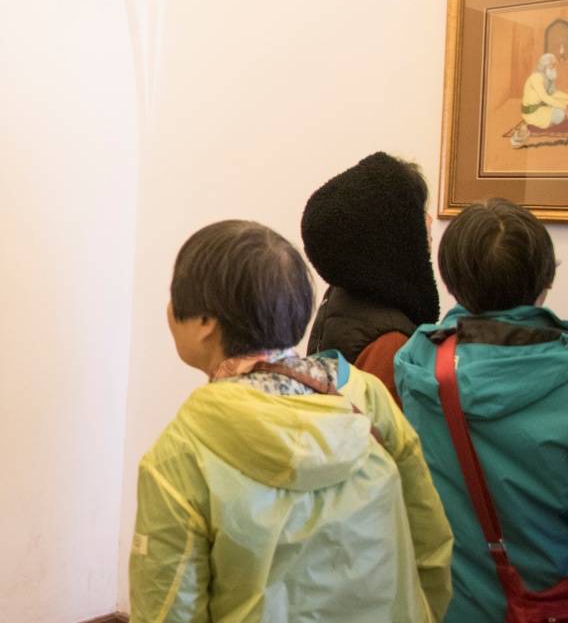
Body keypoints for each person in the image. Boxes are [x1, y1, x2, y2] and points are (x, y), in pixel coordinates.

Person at [129, 220, 452, 623]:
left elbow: (167, 608)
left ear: (206, 322)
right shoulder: (367, 399)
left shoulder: (179, 456)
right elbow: (431, 547)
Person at [395, 198, 568, 623]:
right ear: (547, 277)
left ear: (449, 281)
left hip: (450, 608)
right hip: (563, 606)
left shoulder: (416, 363)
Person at [301, 152, 438, 401]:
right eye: (418, 217)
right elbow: (385, 425)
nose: (427, 229)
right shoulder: (390, 342)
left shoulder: (343, 293)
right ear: (393, 232)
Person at [522, 52, 568, 129]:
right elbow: (545, 97)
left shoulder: (548, 77)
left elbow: (553, 93)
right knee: (560, 114)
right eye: (552, 65)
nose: (554, 68)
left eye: (554, 65)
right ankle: (541, 125)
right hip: (532, 112)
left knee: (566, 101)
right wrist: (564, 108)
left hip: (542, 105)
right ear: (545, 65)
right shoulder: (536, 77)